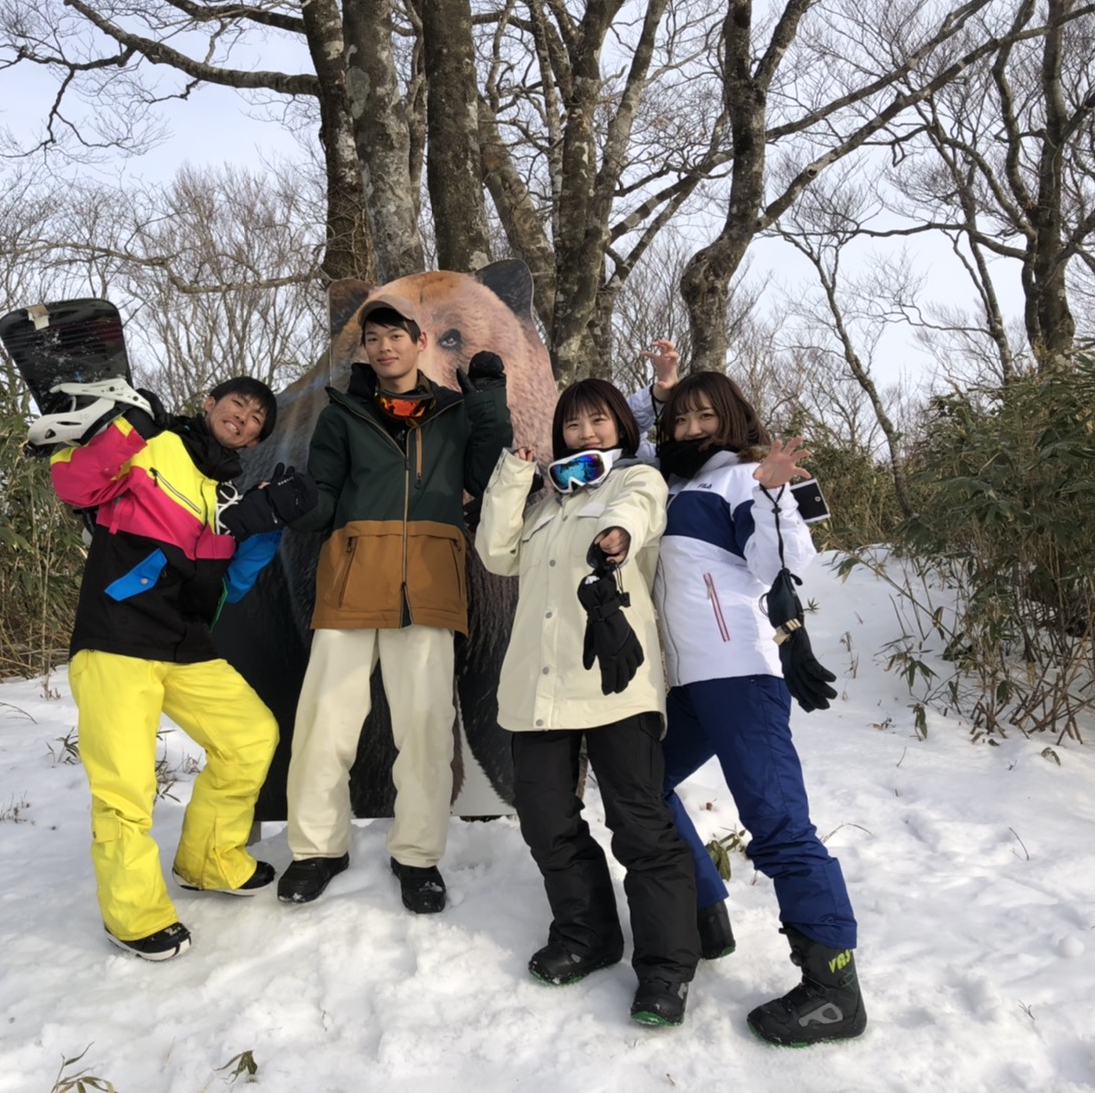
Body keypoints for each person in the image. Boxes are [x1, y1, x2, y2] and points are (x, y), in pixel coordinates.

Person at [626, 350, 867, 1046]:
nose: (692, 427)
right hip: (683, 683)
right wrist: (657, 392)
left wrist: (772, 493)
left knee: (779, 825)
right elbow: (615, 436)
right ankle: (703, 909)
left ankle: (834, 986)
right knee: (641, 786)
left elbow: (779, 564)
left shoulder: (743, 479)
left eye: (706, 415)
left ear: (732, 419)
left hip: (740, 676)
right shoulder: (667, 483)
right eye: (681, 418)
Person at [44, 376, 317, 961]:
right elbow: (73, 482)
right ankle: (134, 916)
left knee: (250, 737)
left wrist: (265, 524)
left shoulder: (226, 497)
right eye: (238, 405)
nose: (244, 418)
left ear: (254, 441)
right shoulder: (154, 445)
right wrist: (129, 429)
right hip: (118, 638)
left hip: (185, 644)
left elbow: (230, 587)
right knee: (125, 787)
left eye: (256, 420)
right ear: (210, 404)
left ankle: (209, 860)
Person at [277, 293, 513, 914]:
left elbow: (488, 476)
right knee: (325, 726)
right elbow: (324, 499)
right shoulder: (342, 414)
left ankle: (417, 856)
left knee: (426, 730)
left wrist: (490, 403)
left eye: (396, 336)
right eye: (374, 339)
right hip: (351, 583)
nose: (384, 347)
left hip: (430, 586)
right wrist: (294, 504)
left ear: (419, 342)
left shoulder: (454, 413)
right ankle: (317, 850)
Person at [474, 378, 700, 1026]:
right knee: (547, 820)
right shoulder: (546, 504)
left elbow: (638, 513)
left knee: (640, 827)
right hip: (538, 688)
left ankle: (665, 969)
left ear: (621, 427)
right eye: (573, 425)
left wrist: (617, 536)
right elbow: (495, 553)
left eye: (598, 420)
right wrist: (513, 478)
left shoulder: (636, 480)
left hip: (613, 685)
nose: (586, 433)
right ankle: (587, 934)